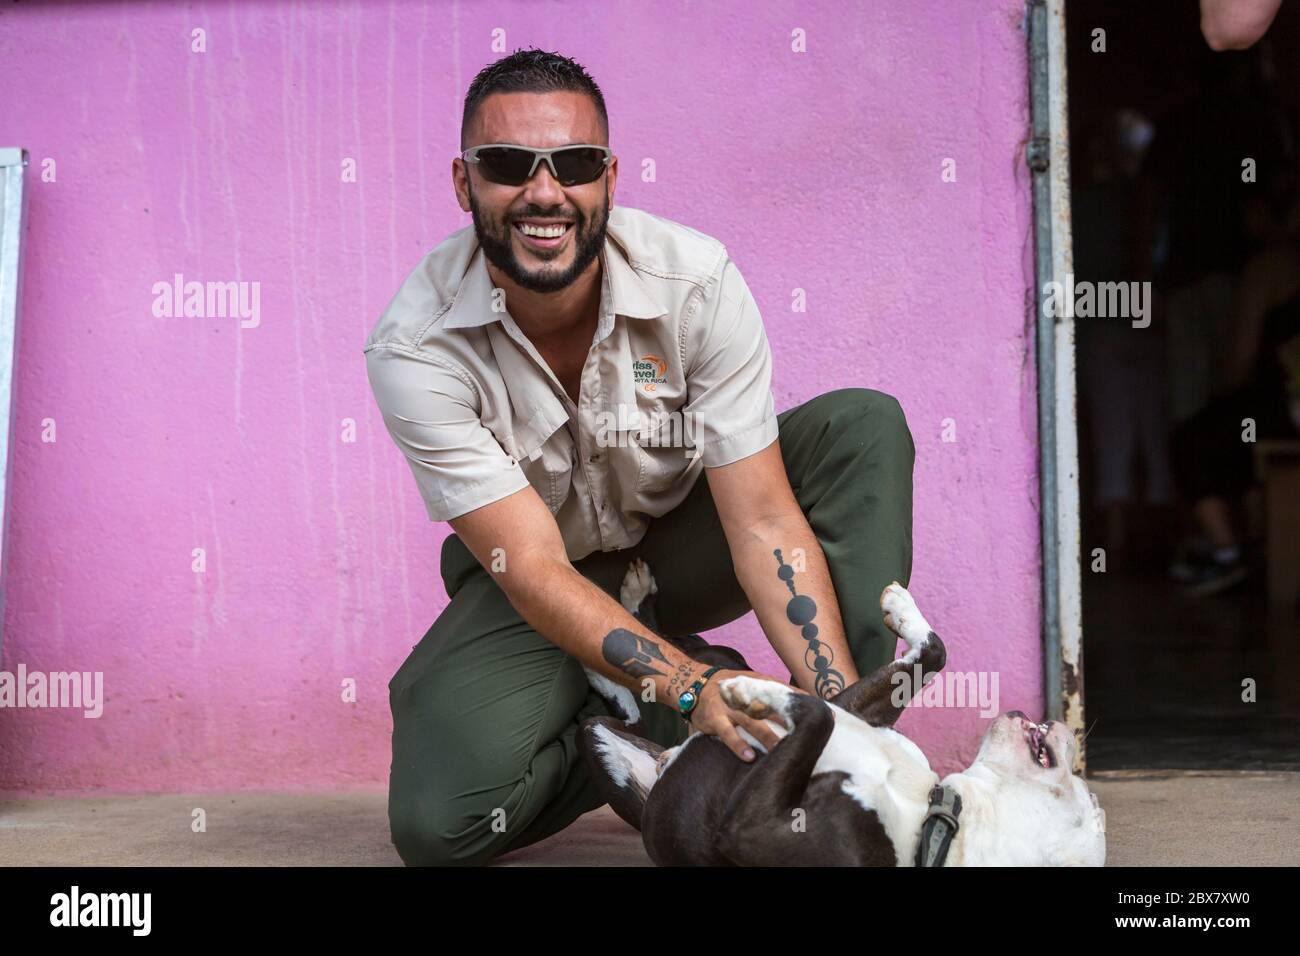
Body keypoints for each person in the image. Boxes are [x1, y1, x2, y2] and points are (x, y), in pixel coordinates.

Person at [362, 49, 915, 866]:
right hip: (536, 580)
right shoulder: (416, 347)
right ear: (463, 183)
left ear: (610, 177)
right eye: (509, 165)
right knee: (439, 827)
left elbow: (760, 518)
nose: (544, 193)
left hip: (678, 548)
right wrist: (691, 688)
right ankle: (630, 709)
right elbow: (537, 569)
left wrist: (826, 724)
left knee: (862, 428)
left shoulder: (695, 283)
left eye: (575, 164)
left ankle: (850, 760)